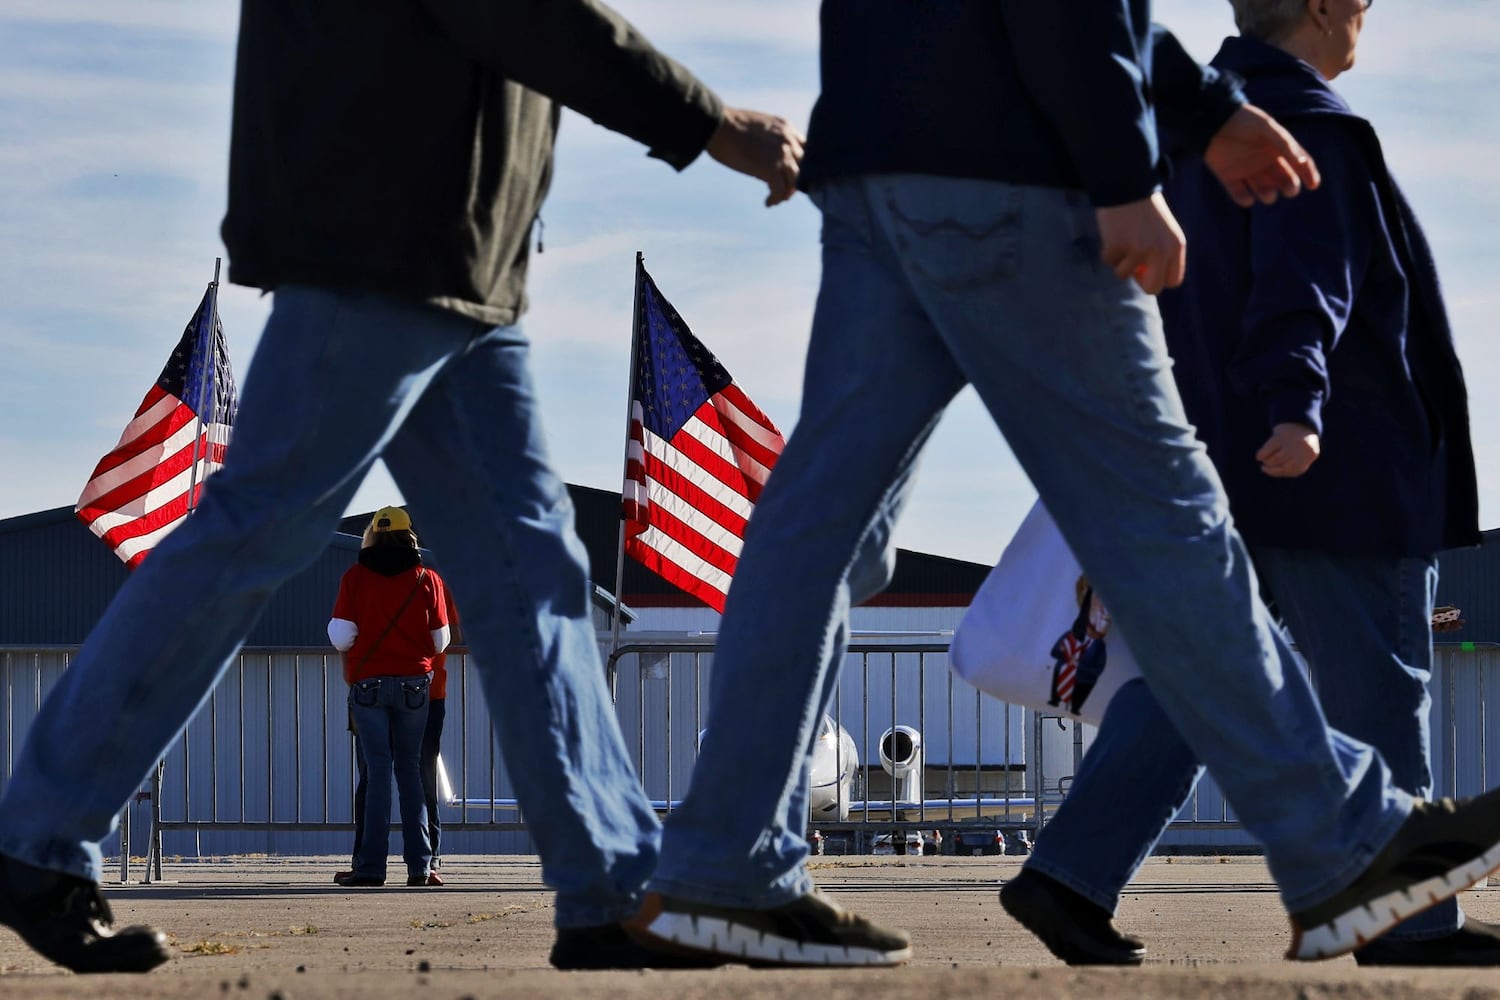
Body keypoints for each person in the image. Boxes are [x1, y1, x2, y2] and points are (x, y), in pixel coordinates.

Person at [624, 2, 1500, 969]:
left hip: (874, 152)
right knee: (1166, 517)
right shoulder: (1316, 129)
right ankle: (1353, 847)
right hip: (1015, 168)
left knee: (819, 529)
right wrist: (1127, 170)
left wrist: (1201, 109)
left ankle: (722, 867)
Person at [0, 0, 802, 975]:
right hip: (384, 233)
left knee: (530, 568)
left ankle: (614, 887)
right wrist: (713, 123)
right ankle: (35, 838)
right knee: (257, 530)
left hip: (452, 250)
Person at [1000, 0, 1500, 968]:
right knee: (1377, 685)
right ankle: (1406, 918)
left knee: (1203, 678)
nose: (1367, 18)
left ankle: (1068, 870)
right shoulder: (1308, 131)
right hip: (1333, 471)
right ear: (1321, 9)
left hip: (1220, 464)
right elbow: (1305, 279)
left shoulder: (1182, 142)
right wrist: (1297, 405)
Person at [327, 506, 449, 888]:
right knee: (411, 771)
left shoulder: (355, 578)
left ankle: (370, 869)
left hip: (369, 686)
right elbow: (441, 639)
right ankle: (420, 867)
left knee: (377, 773)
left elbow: (341, 636)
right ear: (409, 537)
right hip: (415, 684)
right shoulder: (427, 579)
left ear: (373, 537)